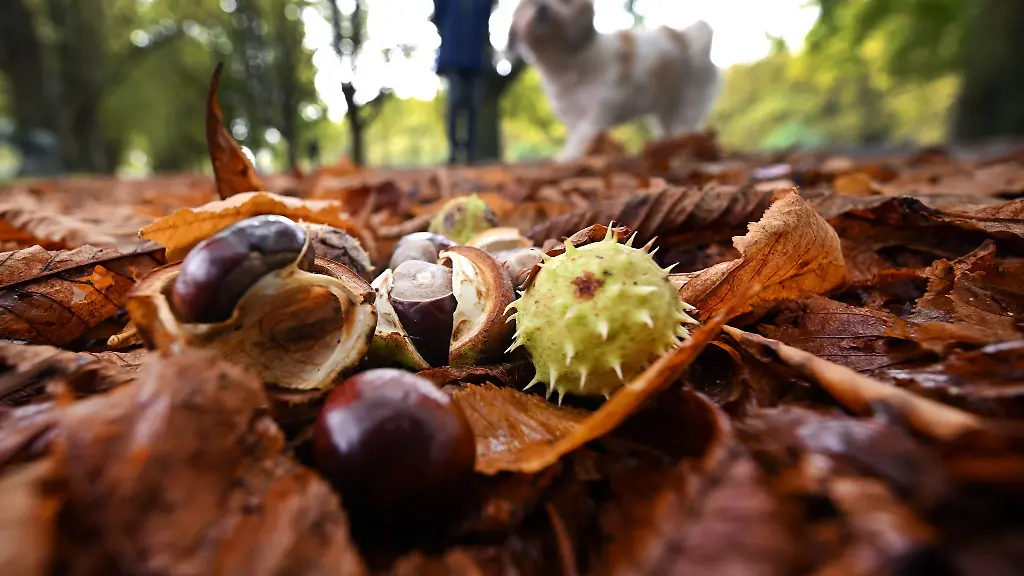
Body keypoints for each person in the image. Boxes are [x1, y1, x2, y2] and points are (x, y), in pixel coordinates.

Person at [433, 0, 493, 165]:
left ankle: (470, 152)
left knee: (474, 105)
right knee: (455, 102)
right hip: (454, 55)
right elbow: (438, 16)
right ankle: (454, 151)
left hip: (476, 56)